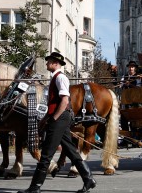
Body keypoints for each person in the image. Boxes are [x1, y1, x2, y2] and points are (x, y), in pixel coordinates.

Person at [17, 51, 95, 193]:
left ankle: (35, 187)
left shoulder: (60, 78)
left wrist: (54, 118)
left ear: (55, 63)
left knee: (46, 153)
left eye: (48, 61)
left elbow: (65, 101)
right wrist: (46, 118)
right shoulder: (55, 78)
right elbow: (54, 103)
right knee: (71, 151)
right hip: (59, 117)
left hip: (60, 118)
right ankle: (89, 179)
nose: (46, 63)